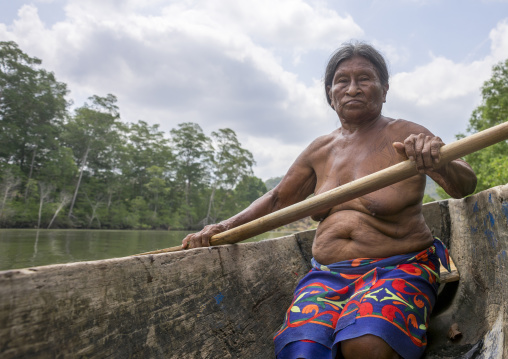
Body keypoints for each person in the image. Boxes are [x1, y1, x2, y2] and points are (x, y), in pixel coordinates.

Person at [181, 42, 477, 359]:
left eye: (364, 78)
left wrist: (437, 161)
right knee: (302, 351)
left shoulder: (405, 133)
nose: (353, 88)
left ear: (384, 89)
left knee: (365, 346)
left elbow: (464, 184)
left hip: (400, 267)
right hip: (327, 275)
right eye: (342, 80)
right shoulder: (319, 150)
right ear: (329, 93)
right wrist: (222, 227)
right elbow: (278, 199)